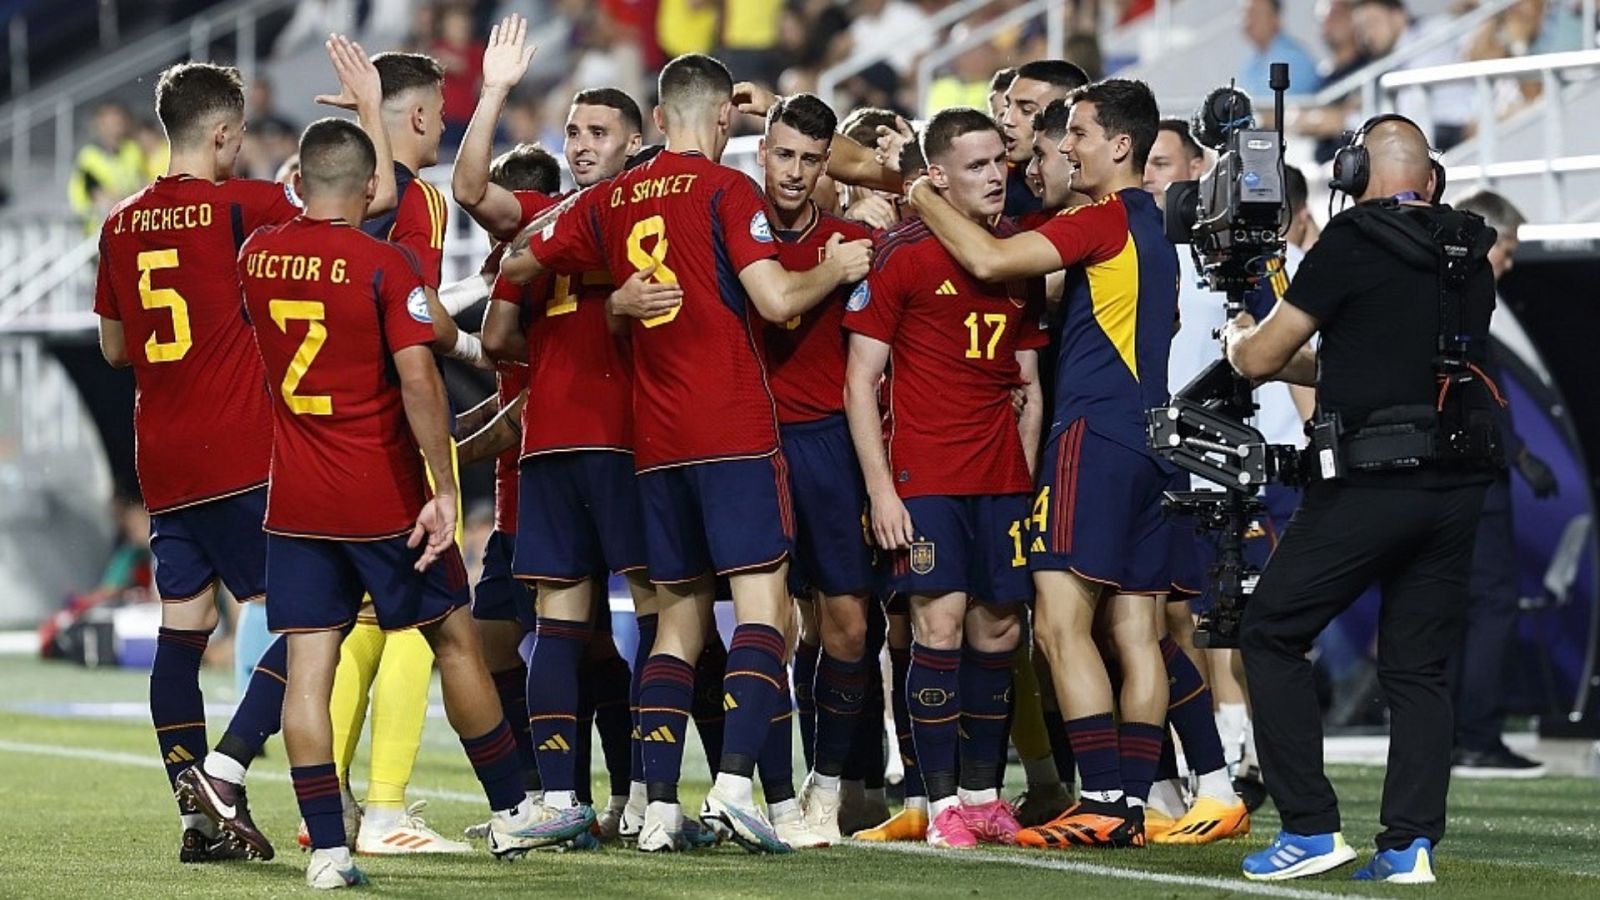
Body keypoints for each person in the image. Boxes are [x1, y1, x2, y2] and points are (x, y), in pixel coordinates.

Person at [501, 52, 872, 854]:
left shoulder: (609, 196)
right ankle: (736, 788)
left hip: (655, 445)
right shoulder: (727, 189)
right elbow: (774, 300)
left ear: (659, 120)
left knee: (678, 624)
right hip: (733, 429)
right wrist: (836, 268)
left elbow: (524, 254)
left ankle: (660, 809)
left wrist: (617, 288)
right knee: (764, 610)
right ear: (727, 120)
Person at [241, 117, 568, 888]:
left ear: (298, 182)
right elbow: (420, 378)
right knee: (453, 639)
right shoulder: (383, 264)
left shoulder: (257, 256)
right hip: (381, 493)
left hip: (296, 498)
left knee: (309, 672)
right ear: (365, 189)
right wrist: (445, 486)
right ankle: (514, 807)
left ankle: (327, 851)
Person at [91, 56, 385, 866]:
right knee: (319, 611)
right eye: (240, 134)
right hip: (243, 451)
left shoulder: (120, 222)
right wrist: (367, 109)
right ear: (223, 133)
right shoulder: (244, 205)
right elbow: (363, 202)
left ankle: (196, 816)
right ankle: (229, 765)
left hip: (163, 455)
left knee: (182, 631)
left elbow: (117, 347)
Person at [906, 78, 1190, 849]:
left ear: (1120, 146)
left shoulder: (1098, 219)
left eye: (1082, 135)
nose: (1066, 146)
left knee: (1062, 629)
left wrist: (922, 195)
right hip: (1154, 441)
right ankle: (1130, 803)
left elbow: (990, 259)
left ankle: (1097, 798)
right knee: (1135, 630)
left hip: (1093, 437)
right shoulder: (1156, 225)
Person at [1223, 115, 1503, 883]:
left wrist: (1241, 346)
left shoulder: (1349, 243)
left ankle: (1310, 829)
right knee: (1418, 669)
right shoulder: (1470, 252)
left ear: (1350, 172)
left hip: (1373, 479)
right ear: (1431, 175)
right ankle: (1409, 845)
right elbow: (1379, 359)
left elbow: (1266, 359)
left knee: (1271, 634)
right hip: (1457, 482)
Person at [845, 107, 1045, 851]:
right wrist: (881, 491)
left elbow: (1028, 382)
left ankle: (985, 796)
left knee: (999, 628)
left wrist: (1022, 477)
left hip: (999, 480)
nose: (996, 176)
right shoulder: (903, 255)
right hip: (924, 476)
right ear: (937, 177)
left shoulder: (1018, 255)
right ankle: (939, 803)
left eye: (1001, 162)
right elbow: (859, 383)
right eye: (976, 165)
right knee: (937, 624)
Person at [751, 93, 878, 847]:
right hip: (750, 442)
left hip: (828, 443)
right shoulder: (730, 224)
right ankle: (767, 796)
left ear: (826, 163)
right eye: (783, 154)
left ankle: (826, 788)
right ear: (760, 153)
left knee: (848, 625)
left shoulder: (855, 240)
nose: (794, 172)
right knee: (770, 624)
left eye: (809, 158)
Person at [1448, 188, 1558, 779]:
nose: (1510, 262)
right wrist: (1517, 457)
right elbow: (1477, 401)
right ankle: (1477, 735)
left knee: (1457, 608)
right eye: (1507, 249)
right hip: (1479, 482)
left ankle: (1453, 733)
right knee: (1492, 606)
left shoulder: (1447, 300)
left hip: (1456, 480)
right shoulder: (1467, 305)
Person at [997, 60, 1090, 218]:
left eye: (1026, 110)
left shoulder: (1103, 202)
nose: (1007, 119)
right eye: (1007, 106)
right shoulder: (994, 181)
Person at [71, 101, 149, 233]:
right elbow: (100, 196)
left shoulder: (132, 150)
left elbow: (144, 183)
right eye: (110, 121)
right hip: (100, 231)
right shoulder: (89, 156)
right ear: (99, 124)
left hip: (130, 227)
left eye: (119, 120)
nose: (116, 125)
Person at [1239, 0, 1320, 100]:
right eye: (1245, 13)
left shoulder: (1293, 60)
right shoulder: (1252, 62)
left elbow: (1278, 110)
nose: (1248, 21)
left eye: (1256, 14)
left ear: (1275, 18)